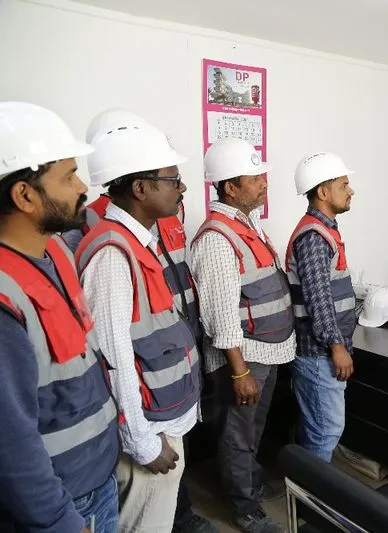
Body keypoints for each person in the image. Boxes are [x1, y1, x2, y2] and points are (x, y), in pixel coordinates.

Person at [74, 109, 212, 533]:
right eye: (172, 179)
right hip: (149, 432)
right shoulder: (114, 253)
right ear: (140, 188)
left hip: (162, 420)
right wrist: (142, 442)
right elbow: (112, 356)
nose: (182, 187)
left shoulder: (138, 241)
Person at [0, 101, 119, 532]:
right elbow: (11, 443)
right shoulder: (4, 298)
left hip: (96, 474)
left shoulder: (54, 252)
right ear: (24, 195)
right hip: (63, 503)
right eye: (68, 176)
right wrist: (59, 521)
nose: (82, 186)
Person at [190, 138, 294, 533]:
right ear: (230, 187)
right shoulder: (218, 238)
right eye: (255, 177)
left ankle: (247, 485)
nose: (264, 183)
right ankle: (244, 509)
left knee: (252, 429)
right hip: (244, 359)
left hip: (264, 354)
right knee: (238, 433)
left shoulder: (249, 226)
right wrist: (238, 371)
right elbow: (220, 315)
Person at [285, 152, 356, 462]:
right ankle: (314, 503)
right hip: (318, 353)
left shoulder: (324, 229)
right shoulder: (314, 236)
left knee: (317, 426)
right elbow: (318, 300)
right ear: (323, 192)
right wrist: (336, 346)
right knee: (325, 430)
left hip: (322, 350)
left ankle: (308, 496)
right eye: (344, 185)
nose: (351, 190)